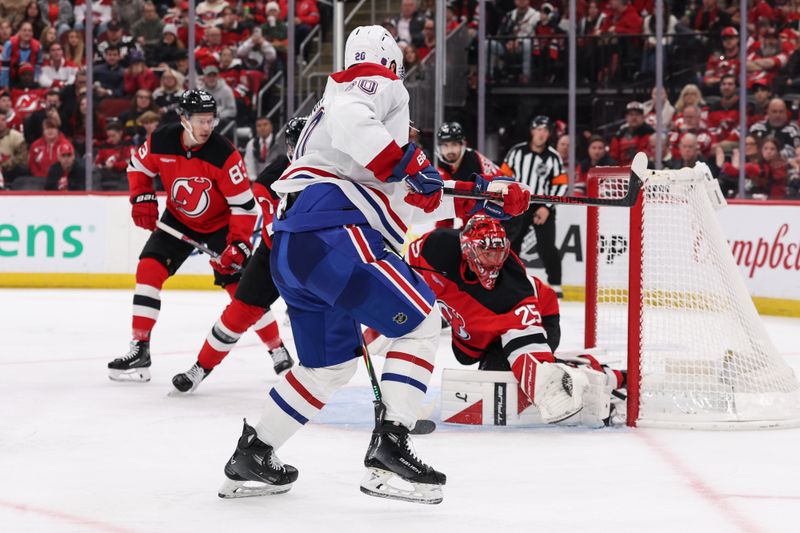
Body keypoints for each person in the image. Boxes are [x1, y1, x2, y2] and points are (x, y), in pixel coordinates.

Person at [216, 25, 529, 503]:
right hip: (334, 235)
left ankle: (254, 453)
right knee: (422, 322)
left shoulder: (339, 143)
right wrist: (402, 160)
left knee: (328, 368)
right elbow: (364, 126)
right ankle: (391, 447)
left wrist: (488, 201)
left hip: (297, 250)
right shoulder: (371, 87)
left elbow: (410, 201)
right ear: (392, 64)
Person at [401, 215, 625, 426]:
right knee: (467, 357)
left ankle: (595, 374)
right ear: (468, 250)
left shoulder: (513, 291)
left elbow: (527, 345)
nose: (494, 262)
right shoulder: (435, 248)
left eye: (499, 254)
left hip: (541, 318)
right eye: (487, 254)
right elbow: (403, 271)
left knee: (500, 375)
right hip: (481, 329)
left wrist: (546, 384)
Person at [106, 89, 258, 382]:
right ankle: (140, 348)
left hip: (220, 226)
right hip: (178, 221)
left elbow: (245, 206)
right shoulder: (162, 140)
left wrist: (238, 243)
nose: (207, 128)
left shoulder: (224, 154)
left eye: (210, 120)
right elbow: (138, 167)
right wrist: (142, 197)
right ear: (184, 119)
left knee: (244, 292)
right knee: (148, 269)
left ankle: (276, 349)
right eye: (201, 120)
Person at [170, 116, 308, 394]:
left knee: (329, 316)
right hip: (274, 252)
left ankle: (314, 377)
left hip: (317, 258)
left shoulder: (335, 172)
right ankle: (201, 367)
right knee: (239, 311)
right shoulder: (281, 169)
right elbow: (261, 192)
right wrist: (272, 219)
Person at [500, 115, 567, 297]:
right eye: (538, 129)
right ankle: (507, 278)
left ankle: (555, 283)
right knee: (512, 243)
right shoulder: (517, 152)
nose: (541, 134)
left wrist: (546, 207)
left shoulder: (553, 157)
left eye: (545, 131)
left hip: (542, 206)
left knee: (547, 246)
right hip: (518, 204)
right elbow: (503, 177)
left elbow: (560, 184)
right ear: (532, 131)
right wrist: (508, 200)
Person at [434, 121, 507, 227]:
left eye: (454, 144)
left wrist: (466, 231)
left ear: (463, 145)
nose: (450, 150)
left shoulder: (472, 165)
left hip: (503, 216)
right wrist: (441, 229)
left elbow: (482, 205)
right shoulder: (444, 166)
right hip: (482, 215)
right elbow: (445, 202)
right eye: (445, 145)